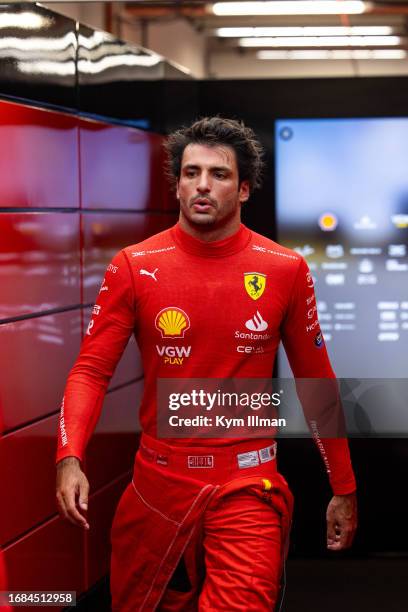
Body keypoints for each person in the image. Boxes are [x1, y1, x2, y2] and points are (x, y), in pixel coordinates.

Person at [56, 117, 357, 611]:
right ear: (176, 185)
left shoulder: (284, 268)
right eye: (190, 172)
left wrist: (343, 486)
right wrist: (70, 456)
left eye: (217, 174)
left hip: (246, 489)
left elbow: (315, 382)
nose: (201, 184)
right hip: (157, 491)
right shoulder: (133, 265)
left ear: (243, 189)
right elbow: (90, 369)